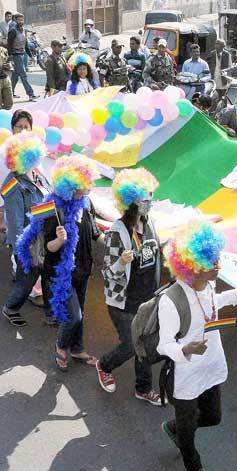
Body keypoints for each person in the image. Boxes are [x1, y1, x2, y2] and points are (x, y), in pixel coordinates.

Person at [158, 220, 237, 471]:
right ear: (193, 266)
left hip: (211, 366)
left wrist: (235, 295)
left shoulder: (208, 285)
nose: (218, 265)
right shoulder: (171, 300)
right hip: (186, 374)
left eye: (217, 257)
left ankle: (174, 428)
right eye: (211, 261)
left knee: (213, 416)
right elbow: (164, 345)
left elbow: (210, 304)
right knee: (188, 431)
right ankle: (194, 467)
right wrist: (186, 348)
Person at [16, 155, 102, 371]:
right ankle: (61, 346)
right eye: (85, 184)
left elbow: (93, 233)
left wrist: (113, 242)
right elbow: (48, 248)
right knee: (73, 315)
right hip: (61, 272)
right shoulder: (54, 209)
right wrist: (60, 240)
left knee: (80, 311)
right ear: (72, 185)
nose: (89, 188)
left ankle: (77, 348)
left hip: (83, 267)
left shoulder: (86, 202)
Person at [95, 168, 163, 405]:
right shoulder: (117, 232)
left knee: (144, 345)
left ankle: (143, 389)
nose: (150, 202)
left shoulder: (149, 222)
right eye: (146, 198)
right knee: (131, 345)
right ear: (132, 201)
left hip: (148, 298)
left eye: (151, 195)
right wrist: (121, 261)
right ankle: (104, 365)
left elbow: (155, 254)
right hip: (123, 303)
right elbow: (107, 271)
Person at [0, 129, 49, 327]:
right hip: (28, 242)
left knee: (40, 275)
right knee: (27, 280)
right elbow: (15, 222)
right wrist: (22, 251)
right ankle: (10, 307)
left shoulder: (34, 174)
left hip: (42, 237)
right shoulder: (12, 186)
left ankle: (51, 313)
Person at [7, 13, 36, 101]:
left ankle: (10, 93)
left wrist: (31, 55)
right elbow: (9, 44)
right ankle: (31, 94)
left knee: (15, 75)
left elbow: (26, 44)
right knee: (23, 75)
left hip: (23, 54)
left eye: (22, 20)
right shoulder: (13, 31)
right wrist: (10, 56)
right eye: (19, 20)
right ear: (15, 20)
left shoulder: (23, 30)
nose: (21, 21)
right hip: (16, 55)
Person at [206, 39, 232, 109]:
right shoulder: (212, 54)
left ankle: (224, 110)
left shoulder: (227, 55)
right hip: (214, 77)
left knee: (223, 97)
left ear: (222, 46)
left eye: (218, 44)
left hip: (223, 79)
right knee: (214, 97)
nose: (215, 45)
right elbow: (207, 64)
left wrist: (229, 80)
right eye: (215, 43)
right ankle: (214, 111)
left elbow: (230, 67)